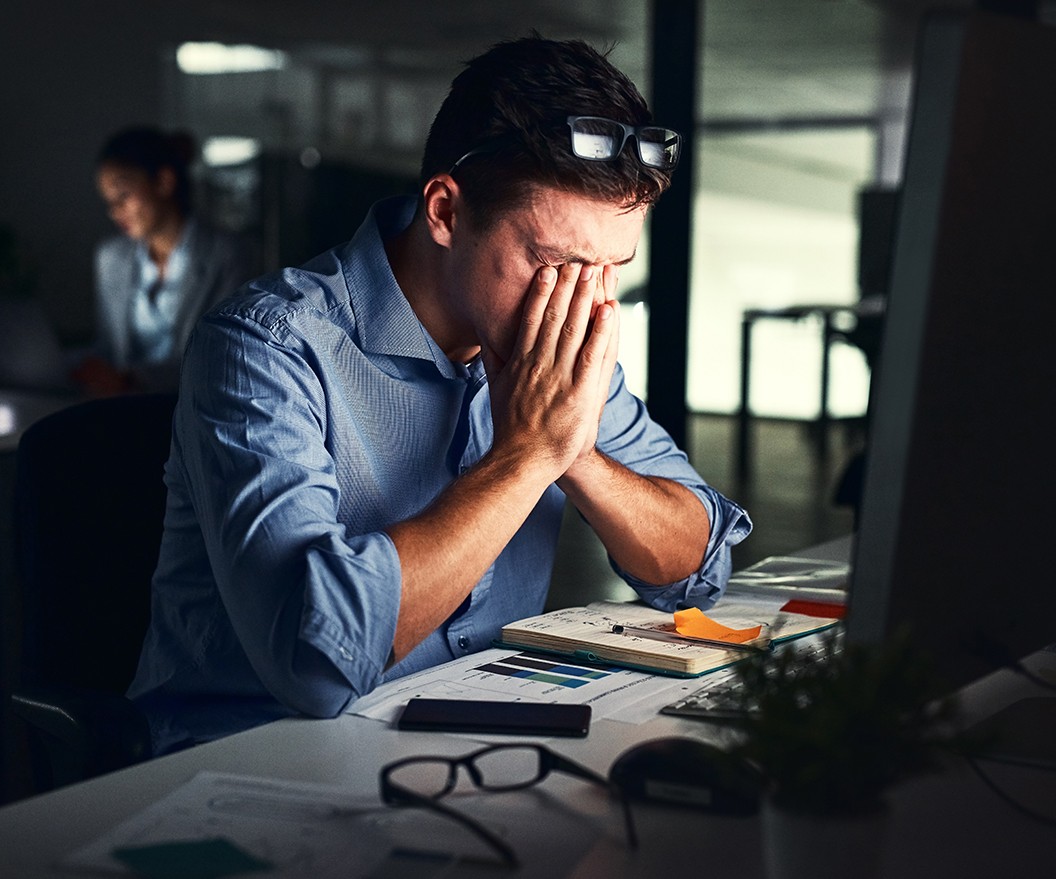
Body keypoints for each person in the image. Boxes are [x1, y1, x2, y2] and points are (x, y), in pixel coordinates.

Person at [128, 37, 752, 754]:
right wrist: (526, 457)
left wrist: (574, 452)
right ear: (447, 212)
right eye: (555, 264)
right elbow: (314, 666)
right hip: (245, 764)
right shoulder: (264, 345)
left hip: (462, 748)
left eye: (612, 269)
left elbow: (699, 571)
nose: (585, 304)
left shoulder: (554, 344)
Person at [72, 125, 252, 395]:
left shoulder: (226, 254)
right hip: (122, 411)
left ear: (163, 182)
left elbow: (222, 353)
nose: (114, 211)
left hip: (197, 407)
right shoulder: (110, 258)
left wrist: (134, 380)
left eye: (123, 195)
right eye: (108, 201)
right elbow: (108, 348)